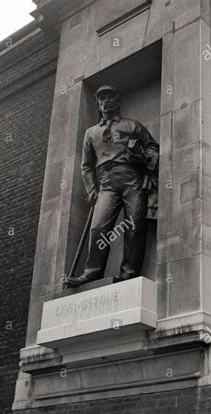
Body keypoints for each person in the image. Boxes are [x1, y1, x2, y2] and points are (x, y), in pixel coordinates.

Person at [66, 85, 159, 287]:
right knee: (98, 227)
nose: (105, 102)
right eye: (101, 99)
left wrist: (142, 155)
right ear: (98, 105)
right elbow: (87, 165)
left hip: (132, 178)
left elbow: (152, 147)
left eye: (109, 97)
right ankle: (92, 272)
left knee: (134, 227)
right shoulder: (91, 133)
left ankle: (129, 274)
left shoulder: (133, 126)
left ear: (118, 101)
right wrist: (92, 190)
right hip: (106, 182)